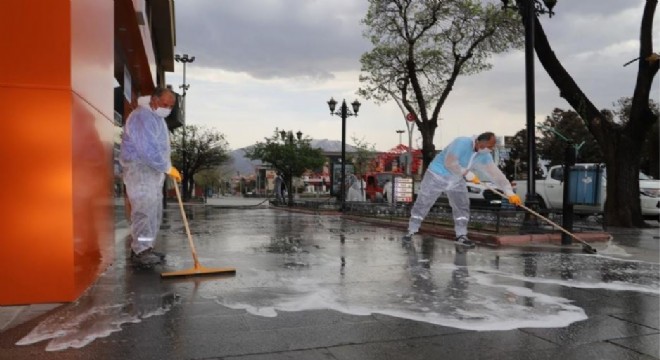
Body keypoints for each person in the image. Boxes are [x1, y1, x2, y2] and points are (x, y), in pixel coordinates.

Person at [402, 132, 521, 248]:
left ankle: (461, 235)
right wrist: (466, 173)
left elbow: (495, 174)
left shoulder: (484, 155)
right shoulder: (461, 143)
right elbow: (450, 162)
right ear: (481, 143)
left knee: (462, 206)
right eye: (490, 146)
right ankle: (411, 230)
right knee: (423, 202)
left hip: (456, 180)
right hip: (436, 175)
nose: (492, 149)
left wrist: (508, 191)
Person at [120, 88, 181, 267]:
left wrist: (166, 168)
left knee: (152, 213)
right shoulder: (142, 117)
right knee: (144, 212)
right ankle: (140, 251)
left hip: (152, 173)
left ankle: (146, 247)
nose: (168, 109)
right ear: (154, 100)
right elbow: (148, 150)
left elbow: (159, 148)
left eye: (171, 106)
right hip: (141, 171)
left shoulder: (157, 118)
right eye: (164, 104)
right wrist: (168, 168)